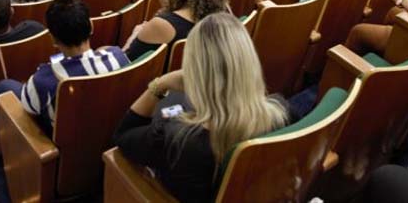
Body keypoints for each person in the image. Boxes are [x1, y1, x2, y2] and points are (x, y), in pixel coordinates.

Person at [115, 13, 291, 202]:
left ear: (194, 70)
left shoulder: (178, 137)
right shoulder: (281, 112)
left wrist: (160, 84)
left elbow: (123, 136)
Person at [0, 0, 130, 135]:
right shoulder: (118, 56)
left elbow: (29, 113)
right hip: (111, 132)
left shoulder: (42, 80)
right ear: (91, 26)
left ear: (52, 39)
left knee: (3, 86)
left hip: (67, 144)